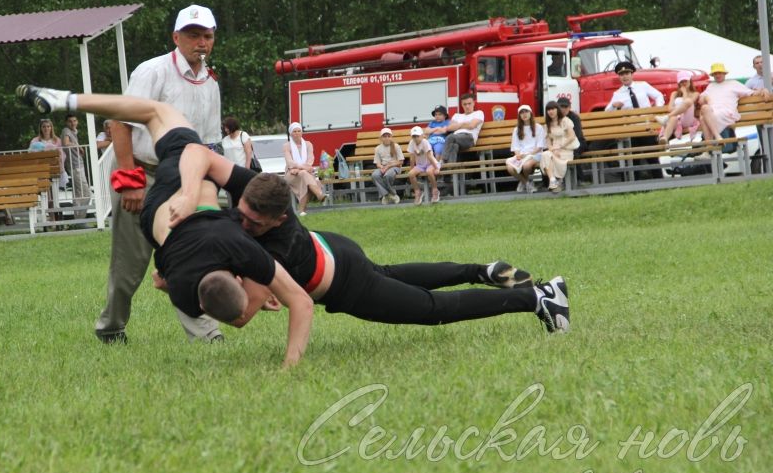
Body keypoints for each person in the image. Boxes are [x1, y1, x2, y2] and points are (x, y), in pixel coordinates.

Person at [17, 84, 314, 367]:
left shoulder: (237, 241)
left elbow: (290, 295)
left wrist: (188, 194)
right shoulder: (183, 293)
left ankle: (66, 99)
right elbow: (162, 281)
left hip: (186, 193)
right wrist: (256, 298)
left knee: (155, 111)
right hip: (156, 214)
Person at [172, 141, 571, 335]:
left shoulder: (274, 245)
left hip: (346, 282)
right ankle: (478, 270)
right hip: (333, 247)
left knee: (432, 309)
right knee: (389, 272)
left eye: (253, 224)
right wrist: (191, 192)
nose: (243, 225)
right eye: (240, 215)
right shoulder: (259, 192)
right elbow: (198, 154)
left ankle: (538, 298)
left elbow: (240, 315)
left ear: (277, 220)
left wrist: (190, 284)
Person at [95, 4, 223, 344]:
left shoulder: (210, 83)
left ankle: (207, 333)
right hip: (142, 170)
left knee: (189, 253)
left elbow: (209, 144)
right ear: (176, 37)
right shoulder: (153, 72)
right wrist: (130, 180)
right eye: (193, 35)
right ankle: (111, 327)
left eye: (207, 36)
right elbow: (118, 121)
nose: (200, 42)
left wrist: (206, 188)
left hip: (184, 179)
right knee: (131, 263)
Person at [699, 62, 771, 142]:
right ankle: (715, 139)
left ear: (724, 74)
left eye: (719, 73)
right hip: (713, 113)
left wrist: (763, 89)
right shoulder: (711, 86)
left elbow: (750, 92)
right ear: (713, 75)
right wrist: (704, 97)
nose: (717, 75)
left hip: (727, 113)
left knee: (704, 118)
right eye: (715, 73)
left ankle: (710, 146)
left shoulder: (733, 83)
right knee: (704, 113)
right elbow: (700, 100)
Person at [284, 122, 325, 216]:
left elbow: (311, 159)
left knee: (303, 176)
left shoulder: (308, 144)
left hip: (303, 172)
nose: (297, 133)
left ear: (302, 132)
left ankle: (301, 211)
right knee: (304, 174)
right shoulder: (286, 146)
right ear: (291, 133)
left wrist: (300, 169)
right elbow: (290, 162)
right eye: (294, 131)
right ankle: (319, 194)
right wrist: (302, 168)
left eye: (299, 131)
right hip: (291, 173)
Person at [539, 101, 579, 192]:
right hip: (555, 151)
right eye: (548, 109)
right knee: (545, 155)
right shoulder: (547, 125)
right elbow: (548, 143)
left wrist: (559, 147)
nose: (551, 111)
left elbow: (572, 137)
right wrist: (552, 150)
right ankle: (553, 180)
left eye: (553, 109)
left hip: (566, 149)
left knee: (548, 157)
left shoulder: (565, 121)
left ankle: (558, 181)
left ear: (557, 110)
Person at [506, 105, 545, 194]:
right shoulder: (516, 129)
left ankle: (524, 182)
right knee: (510, 168)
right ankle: (526, 182)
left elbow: (540, 147)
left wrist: (528, 154)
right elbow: (515, 146)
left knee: (526, 166)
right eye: (522, 113)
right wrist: (518, 155)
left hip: (535, 154)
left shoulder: (538, 127)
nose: (524, 114)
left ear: (530, 113)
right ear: (519, 116)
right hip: (522, 155)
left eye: (526, 112)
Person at [59, 114, 91, 219]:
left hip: (78, 164)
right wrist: (79, 146)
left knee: (78, 193)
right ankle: (80, 218)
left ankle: (78, 219)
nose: (72, 123)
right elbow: (66, 143)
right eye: (70, 121)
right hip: (74, 165)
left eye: (74, 120)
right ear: (66, 123)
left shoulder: (74, 132)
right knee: (86, 192)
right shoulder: (66, 130)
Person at [655, 71, 700, 144]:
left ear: (690, 81)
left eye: (686, 81)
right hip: (677, 119)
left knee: (688, 101)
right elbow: (669, 108)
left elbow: (687, 104)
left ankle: (666, 117)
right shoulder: (674, 94)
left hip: (688, 119)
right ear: (679, 83)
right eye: (681, 82)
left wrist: (685, 92)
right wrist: (680, 110)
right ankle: (664, 138)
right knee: (673, 118)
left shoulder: (695, 94)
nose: (684, 83)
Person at [441, 93, 484, 166]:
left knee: (450, 137)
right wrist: (463, 124)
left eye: (469, 103)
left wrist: (458, 125)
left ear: (474, 103)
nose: (467, 106)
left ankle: (442, 160)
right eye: (465, 104)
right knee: (453, 146)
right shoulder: (457, 115)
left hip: (469, 138)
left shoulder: (478, 113)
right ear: (461, 105)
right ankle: (451, 171)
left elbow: (471, 125)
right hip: (456, 138)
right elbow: (450, 128)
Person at [557, 97, 589, 183]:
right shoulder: (554, 118)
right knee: (548, 153)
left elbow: (577, 136)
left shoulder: (574, 117)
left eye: (565, 107)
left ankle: (579, 179)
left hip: (578, 142)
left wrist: (563, 145)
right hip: (561, 144)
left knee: (573, 153)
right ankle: (549, 182)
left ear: (570, 107)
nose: (563, 109)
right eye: (561, 107)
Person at [407, 126, 441, 204]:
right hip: (420, 165)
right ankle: (418, 192)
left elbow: (430, 156)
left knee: (429, 172)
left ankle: (435, 190)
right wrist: (412, 168)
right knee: (411, 174)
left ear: (422, 136)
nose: (415, 138)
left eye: (417, 136)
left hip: (431, 163)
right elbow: (412, 158)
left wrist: (436, 168)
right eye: (414, 136)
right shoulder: (411, 143)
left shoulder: (425, 142)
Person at [371, 127, 404, 204]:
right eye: (384, 136)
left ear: (391, 137)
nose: (387, 138)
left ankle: (386, 195)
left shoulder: (396, 146)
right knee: (375, 175)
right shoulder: (378, 148)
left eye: (389, 136)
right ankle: (389, 194)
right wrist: (381, 167)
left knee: (388, 175)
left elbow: (400, 161)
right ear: (381, 138)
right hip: (384, 166)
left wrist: (388, 166)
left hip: (395, 167)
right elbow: (378, 163)